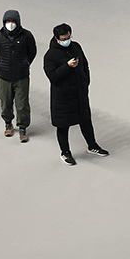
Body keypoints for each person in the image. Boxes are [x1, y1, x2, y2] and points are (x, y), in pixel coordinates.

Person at [42, 23, 107, 164]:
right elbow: (53, 76)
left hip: (79, 93)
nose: (67, 40)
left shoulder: (76, 47)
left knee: (85, 120)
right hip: (62, 98)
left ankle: (92, 145)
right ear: (57, 38)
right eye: (64, 39)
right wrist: (67, 66)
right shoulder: (50, 56)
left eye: (69, 37)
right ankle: (65, 152)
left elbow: (85, 65)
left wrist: (85, 81)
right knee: (63, 125)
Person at [0, 10, 36, 142]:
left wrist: (25, 64)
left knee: (22, 104)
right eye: (7, 21)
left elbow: (32, 52)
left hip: (21, 76)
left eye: (12, 21)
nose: (10, 24)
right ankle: (8, 123)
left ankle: (22, 127)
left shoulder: (26, 36)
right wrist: (5, 63)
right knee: (5, 102)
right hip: (4, 76)